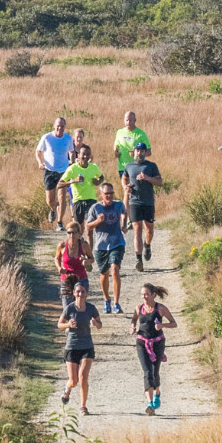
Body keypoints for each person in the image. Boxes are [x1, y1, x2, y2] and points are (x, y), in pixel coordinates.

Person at [132, 283, 178, 415]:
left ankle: (157, 393)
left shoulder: (161, 308)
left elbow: (174, 323)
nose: (144, 297)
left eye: (146, 294)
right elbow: (134, 319)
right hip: (142, 342)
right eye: (142, 295)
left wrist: (162, 325)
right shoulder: (139, 308)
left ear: (153, 295)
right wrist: (132, 327)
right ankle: (150, 403)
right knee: (147, 371)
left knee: (154, 371)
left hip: (157, 343)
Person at [58, 280, 102, 414]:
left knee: (83, 377)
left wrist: (95, 323)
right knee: (74, 380)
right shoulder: (69, 308)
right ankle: (67, 390)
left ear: (86, 293)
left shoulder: (91, 308)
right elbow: (59, 324)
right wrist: (68, 325)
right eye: (78, 292)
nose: (80, 294)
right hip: (72, 346)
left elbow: (100, 324)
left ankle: (83, 406)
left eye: (83, 292)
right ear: (74, 293)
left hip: (87, 346)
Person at [86, 181, 130, 312]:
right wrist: (98, 221)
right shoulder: (95, 208)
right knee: (104, 274)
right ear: (101, 194)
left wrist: (124, 225)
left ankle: (116, 303)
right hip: (101, 246)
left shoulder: (118, 204)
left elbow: (124, 212)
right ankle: (107, 300)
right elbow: (88, 226)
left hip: (117, 243)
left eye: (111, 193)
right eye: (106, 194)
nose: (109, 196)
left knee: (115, 270)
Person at [122, 143, 163, 271]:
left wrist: (147, 178)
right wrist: (125, 187)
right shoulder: (129, 166)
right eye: (137, 151)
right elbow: (124, 178)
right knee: (137, 228)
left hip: (148, 202)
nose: (139, 153)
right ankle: (138, 259)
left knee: (149, 229)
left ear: (145, 152)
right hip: (134, 202)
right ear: (133, 152)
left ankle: (147, 244)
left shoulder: (151, 166)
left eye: (142, 151)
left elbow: (160, 182)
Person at [34, 116, 74, 231]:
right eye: (58, 126)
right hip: (49, 170)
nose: (60, 128)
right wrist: (40, 162)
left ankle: (60, 223)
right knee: (50, 200)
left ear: (65, 127)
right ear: (54, 126)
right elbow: (38, 152)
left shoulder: (68, 138)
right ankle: (53, 209)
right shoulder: (46, 138)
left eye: (62, 126)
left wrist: (72, 162)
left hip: (63, 171)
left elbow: (71, 152)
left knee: (62, 197)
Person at [60, 144, 104, 227]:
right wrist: (73, 181)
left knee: (90, 224)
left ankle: (90, 240)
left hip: (91, 200)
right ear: (78, 155)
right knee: (79, 228)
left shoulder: (94, 167)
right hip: (78, 201)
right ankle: (80, 239)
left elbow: (101, 177)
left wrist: (98, 182)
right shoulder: (72, 168)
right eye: (83, 154)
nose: (85, 156)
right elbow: (60, 184)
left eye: (88, 154)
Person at [56, 222, 89, 307]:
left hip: (81, 279)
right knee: (67, 308)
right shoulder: (62, 246)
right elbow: (57, 258)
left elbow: (91, 258)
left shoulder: (84, 245)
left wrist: (86, 261)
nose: (71, 235)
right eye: (69, 232)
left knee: (80, 307)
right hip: (66, 280)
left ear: (79, 233)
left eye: (74, 232)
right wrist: (59, 267)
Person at [113, 110, 150, 176]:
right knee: (125, 186)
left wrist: (137, 154)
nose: (128, 123)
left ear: (135, 120)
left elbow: (149, 152)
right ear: (124, 120)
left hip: (136, 167)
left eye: (130, 120)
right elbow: (116, 144)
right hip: (122, 167)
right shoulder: (120, 132)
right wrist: (116, 152)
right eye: (126, 120)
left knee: (134, 186)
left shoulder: (141, 134)